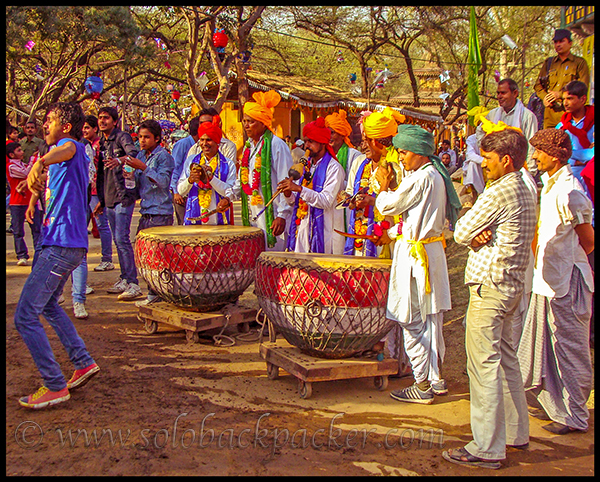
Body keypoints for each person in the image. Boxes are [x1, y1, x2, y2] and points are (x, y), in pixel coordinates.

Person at [443, 126, 536, 469]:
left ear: (506, 161)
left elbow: (462, 232)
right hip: (511, 284)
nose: (484, 165)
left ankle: (487, 447)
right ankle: (515, 432)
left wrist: (475, 230)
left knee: (483, 365)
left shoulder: (499, 191)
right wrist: (479, 232)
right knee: (506, 359)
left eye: (489, 159)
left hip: (490, 285)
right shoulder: (526, 186)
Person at [15, 101, 99, 409]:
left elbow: (65, 151)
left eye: (50, 120)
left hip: (61, 245)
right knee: (48, 305)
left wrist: (40, 163)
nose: (44, 126)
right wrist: (33, 192)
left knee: (25, 315)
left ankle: (53, 384)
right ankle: (83, 361)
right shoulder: (62, 155)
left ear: (65, 126)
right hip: (59, 243)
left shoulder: (70, 145)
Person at [517, 129, 594, 435]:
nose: (535, 156)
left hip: (567, 282)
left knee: (571, 348)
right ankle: (557, 407)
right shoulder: (550, 185)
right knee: (551, 346)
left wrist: (566, 263)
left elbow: (588, 242)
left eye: (540, 151)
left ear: (555, 155)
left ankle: (576, 415)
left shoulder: (571, 191)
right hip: (548, 281)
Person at [374, 124, 456, 405]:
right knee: (432, 321)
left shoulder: (419, 178)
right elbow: (414, 218)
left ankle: (421, 385)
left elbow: (388, 206)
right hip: (429, 251)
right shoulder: (434, 175)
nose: (400, 157)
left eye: (404, 152)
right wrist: (396, 232)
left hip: (415, 258)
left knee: (412, 321)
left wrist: (383, 187)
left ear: (420, 153)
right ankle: (436, 379)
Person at [120, 119, 175, 307]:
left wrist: (143, 168)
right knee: (145, 257)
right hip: (146, 211)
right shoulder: (142, 155)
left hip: (160, 213)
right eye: (140, 137)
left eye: (146, 137)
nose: (142, 141)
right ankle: (154, 292)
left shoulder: (163, 157)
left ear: (157, 138)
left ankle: (156, 294)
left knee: (158, 258)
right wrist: (130, 177)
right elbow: (138, 185)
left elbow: (163, 182)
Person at [341, 107, 405, 257]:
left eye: (367, 140)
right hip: (362, 227)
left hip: (390, 232)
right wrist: (348, 200)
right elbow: (350, 191)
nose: (365, 145)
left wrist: (372, 201)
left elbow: (400, 203)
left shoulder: (395, 164)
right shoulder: (360, 163)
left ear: (376, 141)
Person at [94, 106, 142, 301]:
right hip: (110, 197)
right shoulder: (102, 143)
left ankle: (133, 283)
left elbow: (133, 153)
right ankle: (124, 278)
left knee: (122, 239)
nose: (102, 121)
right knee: (117, 240)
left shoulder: (122, 137)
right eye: (100, 118)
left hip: (123, 195)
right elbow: (100, 175)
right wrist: (101, 201)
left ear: (115, 121)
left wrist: (120, 160)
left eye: (106, 118)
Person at [278, 117, 345, 254]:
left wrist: (298, 188)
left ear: (322, 143)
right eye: (306, 141)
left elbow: (326, 201)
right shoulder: (305, 166)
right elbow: (294, 202)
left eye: (311, 141)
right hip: (302, 231)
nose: (306, 145)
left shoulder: (334, 168)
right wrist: (288, 193)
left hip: (325, 233)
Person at [240, 90, 294, 250]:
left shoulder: (276, 145)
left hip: (273, 218)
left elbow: (287, 182)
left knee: (271, 263)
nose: (246, 125)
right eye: (244, 121)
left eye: (251, 121)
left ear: (263, 123)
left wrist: (282, 216)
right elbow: (244, 181)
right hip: (252, 215)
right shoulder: (248, 148)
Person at [177, 116, 239, 226]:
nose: (204, 143)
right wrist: (190, 180)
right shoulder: (191, 161)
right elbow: (181, 191)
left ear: (217, 142)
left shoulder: (228, 164)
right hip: (194, 219)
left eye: (209, 140)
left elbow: (230, 193)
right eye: (202, 140)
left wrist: (211, 179)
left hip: (219, 220)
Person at [477, 78, 539, 175]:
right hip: (497, 169)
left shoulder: (527, 116)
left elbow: (531, 145)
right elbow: (479, 131)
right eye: (498, 93)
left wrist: (530, 172)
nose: (499, 96)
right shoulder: (492, 115)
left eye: (503, 93)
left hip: (520, 170)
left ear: (515, 93)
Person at [534, 28, 590, 129]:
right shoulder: (549, 63)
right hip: (550, 116)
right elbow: (538, 85)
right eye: (555, 42)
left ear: (570, 43)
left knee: (571, 143)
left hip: (571, 116)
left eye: (561, 41)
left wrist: (559, 95)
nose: (558, 45)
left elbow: (583, 88)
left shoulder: (579, 63)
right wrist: (545, 98)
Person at [325, 109, 366, 233]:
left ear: (342, 134)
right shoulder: (324, 156)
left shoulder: (354, 156)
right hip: (326, 207)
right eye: (327, 133)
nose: (329, 137)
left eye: (333, 133)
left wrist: (335, 185)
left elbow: (354, 185)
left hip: (345, 208)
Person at [84, 115, 114, 272]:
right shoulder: (86, 145)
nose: (84, 130)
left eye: (88, 127)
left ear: (95, 129)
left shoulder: (100, 146)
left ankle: (107, 258)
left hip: (98, 190)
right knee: (85, 225)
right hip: (88, 189)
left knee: (102, 225)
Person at [555, 80, 594, 198]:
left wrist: (569, 154)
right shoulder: (561, 126)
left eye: (570, 99)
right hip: (569, 179)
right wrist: (577, 159)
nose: (565, 103)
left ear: (582, 99)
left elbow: (593, 154)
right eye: (563, 99)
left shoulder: (593, 123)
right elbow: (557, 153)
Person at [6, 141, 43, 266]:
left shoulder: (23, 164)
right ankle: (21, 255)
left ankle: (39, 254)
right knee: (18, 231)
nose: (22, 152)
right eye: (18, 151)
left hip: (29, 201)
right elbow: (28, 174)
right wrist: (34, 160)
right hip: (17, 203)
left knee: (36, 229)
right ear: (11, 154)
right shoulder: (11, 166)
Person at [170, 116, 200, 225]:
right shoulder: (183, 144)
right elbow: (174, 168)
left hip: (197, 193)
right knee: (184, 225)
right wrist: (176, 192)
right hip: (182, 193)